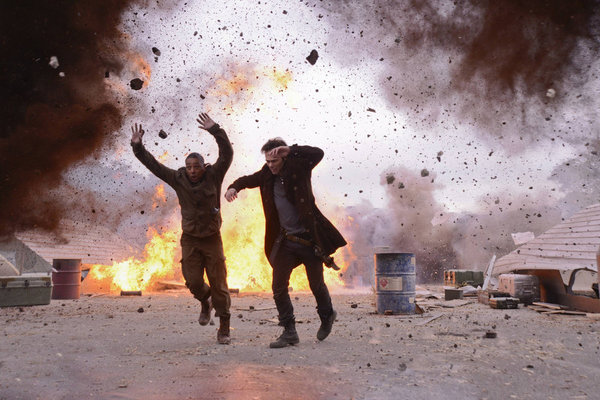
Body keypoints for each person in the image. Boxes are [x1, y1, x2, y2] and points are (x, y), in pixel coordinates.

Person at [225, 138, 346, 348]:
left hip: (309, 241)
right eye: (267, 161)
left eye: (274, 160)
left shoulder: (300, 167)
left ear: (283, 157)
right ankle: (289, 331)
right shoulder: (266, 174)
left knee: (316, 284)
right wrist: (233, 188)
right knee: (278, 287)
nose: (270, 165)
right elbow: (247, 180)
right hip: (286, 242)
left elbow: (318, 152)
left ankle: (327, 315)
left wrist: (292, 150)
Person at [130, 113, 233, 345]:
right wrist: (138, 148)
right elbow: (155, 166)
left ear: (203, 167)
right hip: (190, 239)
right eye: (189, 167)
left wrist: (215, 130)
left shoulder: (214, 175)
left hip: (212, 238)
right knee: (193, 281)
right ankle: (205, 302)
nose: (193, 170)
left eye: (196, 166)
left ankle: (224, 325)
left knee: (219, 283)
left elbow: (227, 154)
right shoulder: (178, 179)